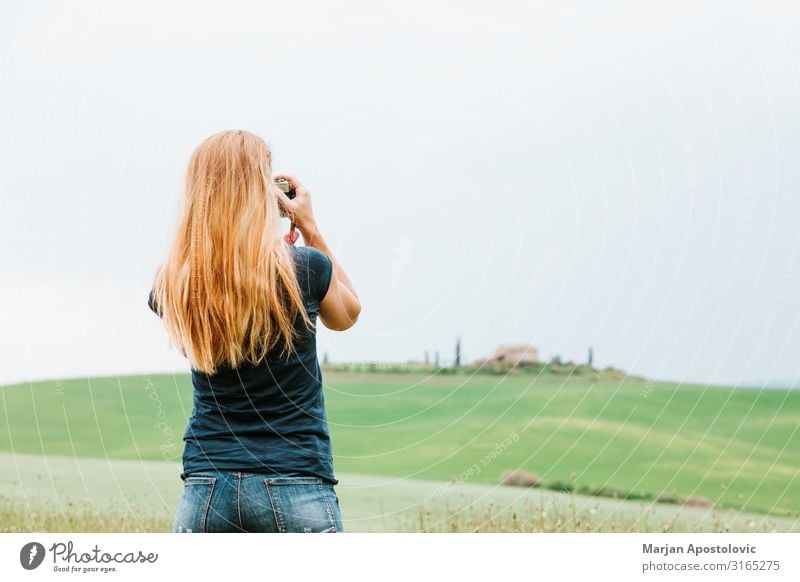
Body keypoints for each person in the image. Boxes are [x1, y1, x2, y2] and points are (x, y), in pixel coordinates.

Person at [147, 129, 361, 533]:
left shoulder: (174, 281)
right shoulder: (306, 268)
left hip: (206, 485)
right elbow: (346, 314)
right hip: (295, 479)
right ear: (260, 192)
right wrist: (309, 226)